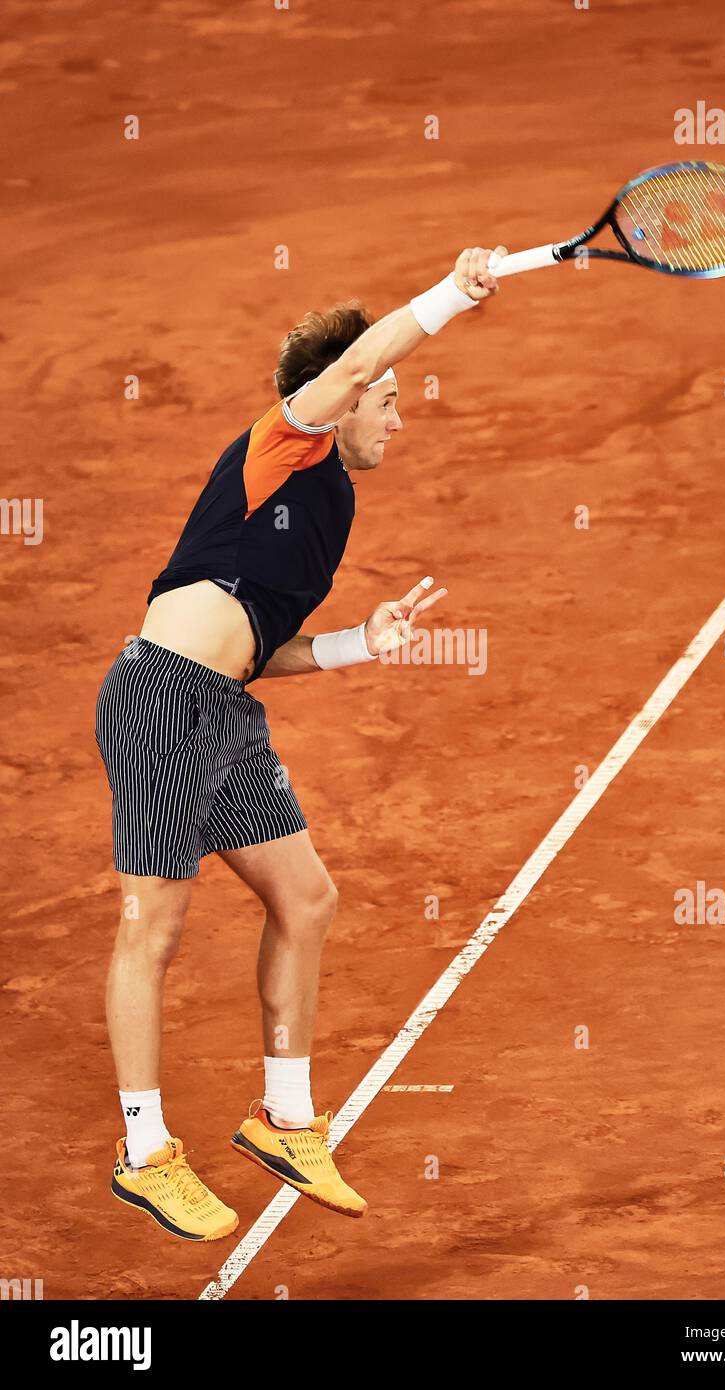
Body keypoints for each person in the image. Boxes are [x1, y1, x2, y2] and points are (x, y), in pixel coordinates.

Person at [96, 244, 507, 1240]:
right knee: (152, 924)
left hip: (224, 709)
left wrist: (364, 640)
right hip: (160, 696)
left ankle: (283, 1119)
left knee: (307, 896)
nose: (398, 416)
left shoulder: (331, 505)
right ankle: (144, 1151)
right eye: (388, 399)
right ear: (346, 393)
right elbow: (367, 357)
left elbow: (257, 651)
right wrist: (455, 292)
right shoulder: (284, 444)